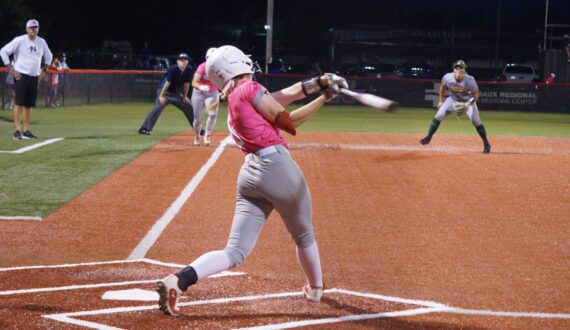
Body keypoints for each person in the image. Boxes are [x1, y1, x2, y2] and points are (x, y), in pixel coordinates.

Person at [156, 45, 348, 316]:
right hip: (277, 168)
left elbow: (284, 95)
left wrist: (319, 82)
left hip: (250, 176)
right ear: (235, 63)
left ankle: (179, 280)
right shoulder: (249, 90)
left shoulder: (235, 95)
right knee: (303, 234)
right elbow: (290, 122)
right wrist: (325, 97)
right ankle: (315, 288)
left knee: (234, 251)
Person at [419, 60, 491, 154]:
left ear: (464, 70)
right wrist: (441, 100)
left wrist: (468, 104)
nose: (458, 70)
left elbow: (476, 94)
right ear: (454, 69)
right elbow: (442, 87)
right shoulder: (447, 77)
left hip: (467, 101)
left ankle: (486, 143)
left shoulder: (470, 80)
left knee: (475, 121)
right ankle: (428, 137)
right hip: (453, 99)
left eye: (461, 68)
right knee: (439, 115)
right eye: (457, 68)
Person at [0, 19, 52, 140]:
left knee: (28, 105)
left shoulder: (41, 42)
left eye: (36, 27)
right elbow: (3, 51)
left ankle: (26, 130)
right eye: (31, 27)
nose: (34, 29)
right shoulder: (20, 40)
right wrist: (11, 69)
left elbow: (49, 56)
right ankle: (16, 131)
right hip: (21, 75)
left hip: (34, 77)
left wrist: (44, 71)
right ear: (27, 29)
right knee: (19, 103)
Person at [138, 53, 195, 135]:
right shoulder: (173, 69)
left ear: (187, 62)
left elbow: (186, 83)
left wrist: (185, 96)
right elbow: (167, 83)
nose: (183, 62)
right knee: (158, 107)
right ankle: (144, 129)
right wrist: (161, 96)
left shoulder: (189, 70)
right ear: (177, 61)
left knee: (188, 106)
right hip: (164, 92)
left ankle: (197, 128)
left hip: (175, 94)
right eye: (181, 60)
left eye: (185, 60)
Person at [191, 47, 220, 146]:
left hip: (213, 93)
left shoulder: (220, 68)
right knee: (197, 119)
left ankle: (207, 134)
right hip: (198, 93)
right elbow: (194, 82)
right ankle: (197, 136)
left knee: (213, 114)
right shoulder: (202, 67)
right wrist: (200, 86)